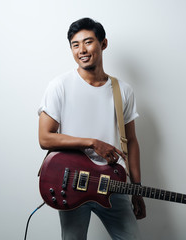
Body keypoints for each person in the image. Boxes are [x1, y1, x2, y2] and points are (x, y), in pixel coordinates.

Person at [38, 17, 146, 240]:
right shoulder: (59, 86)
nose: (82, 50)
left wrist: (137, 188)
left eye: (88, 42)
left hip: (113, 183)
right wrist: (92, 142)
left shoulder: (122, 91)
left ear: (103, 44)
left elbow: (132, 141)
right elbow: (45, 138)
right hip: (72, 182)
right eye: (75, 45)